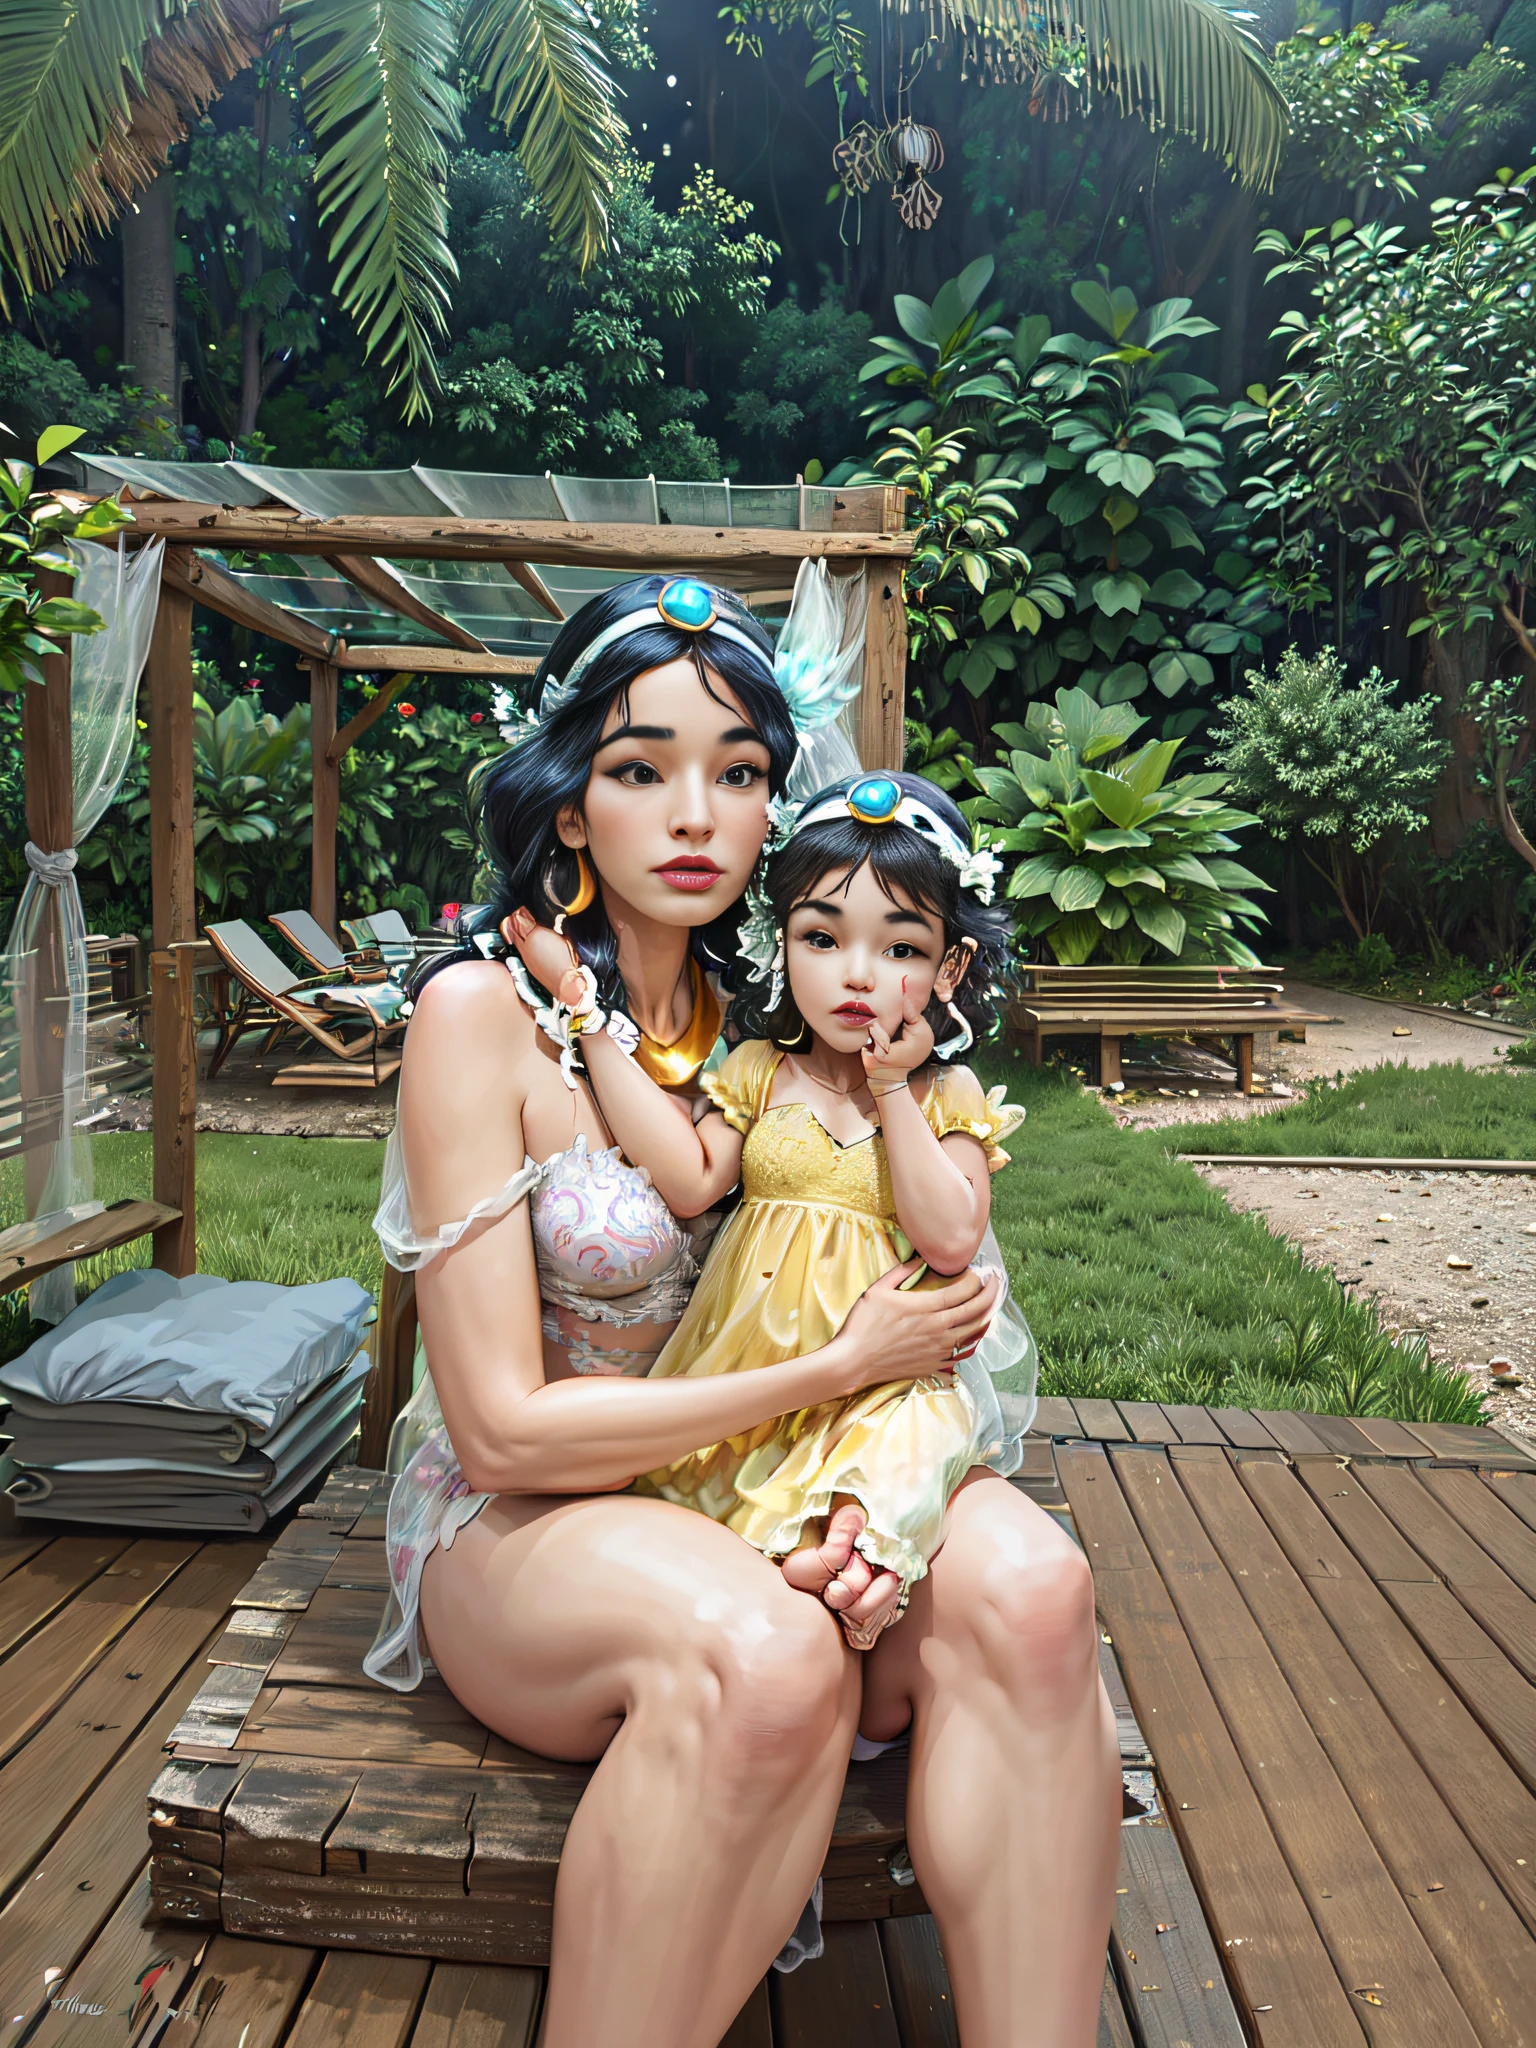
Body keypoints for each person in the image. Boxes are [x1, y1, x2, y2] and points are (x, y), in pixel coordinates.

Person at [366, 570, 1120, 2047]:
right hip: (528, 1514)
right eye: (643, 770)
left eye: (743, 772)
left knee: (1035, 1593)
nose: (699, 813)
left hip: (774, 1471)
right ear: (572, 805)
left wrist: (874, 1454)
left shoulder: (774, 1016)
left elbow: (904, 1244)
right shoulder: (483, 1018)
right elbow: (506, 1433)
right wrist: (833, 1368)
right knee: (769, 1657)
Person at [508, 767, 1037, 1651]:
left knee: (898, 1461)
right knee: (719, 1501)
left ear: (950, 966)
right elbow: (688, 1178)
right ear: (779, 943)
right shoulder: (761, 1069)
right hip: (747, 1366)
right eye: (822, 938)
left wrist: (894, 1089)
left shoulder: (949, 1094)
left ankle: (851, 1576)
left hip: (886, 1377)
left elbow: (950, 1237)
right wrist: (584, 1013)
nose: (857, 976)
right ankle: (793, 1608)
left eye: (901, 950)